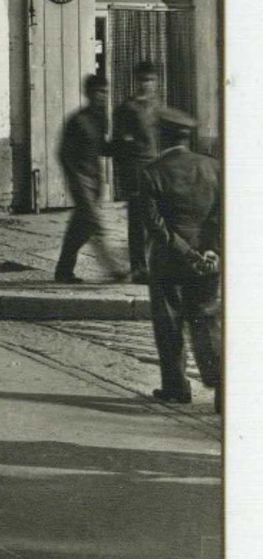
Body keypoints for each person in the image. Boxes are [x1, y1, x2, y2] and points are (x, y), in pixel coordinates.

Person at [141, 117, 221, 408]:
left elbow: (155, 226)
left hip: (169, 261)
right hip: (209, 261)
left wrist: (187, 253)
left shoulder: (152, 172)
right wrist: (214, 251)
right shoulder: (213, 167)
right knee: (207, 319)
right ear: (187, 138)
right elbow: (222, 216)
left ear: (162, 140)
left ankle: (176, 387)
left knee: (169, 322)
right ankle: (222, 387)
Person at [55, 75, 127, 283]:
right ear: (88, 94)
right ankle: (114, 269)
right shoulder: (77, 121)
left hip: (95, 181)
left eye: (105, 92)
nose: (102, 96)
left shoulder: (100, 118)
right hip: (81, 181)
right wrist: (77, 181)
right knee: (95, 225)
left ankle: (63, 270)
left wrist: (122, 145)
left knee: (80, 229)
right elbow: (64, 154)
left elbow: (102, 147)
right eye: (98, 92)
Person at [110, 60, 167, 282]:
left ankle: (152, 263)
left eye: (151, 80)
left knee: (156, 219)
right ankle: (138, 268)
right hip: (136, 170)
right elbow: (120, 142)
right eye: (143, 80)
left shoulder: (157, 107)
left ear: (156, 82)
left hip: (156, 168)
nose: (147, 84)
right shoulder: (127, 108)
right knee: (137, 221)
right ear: (137, 81)